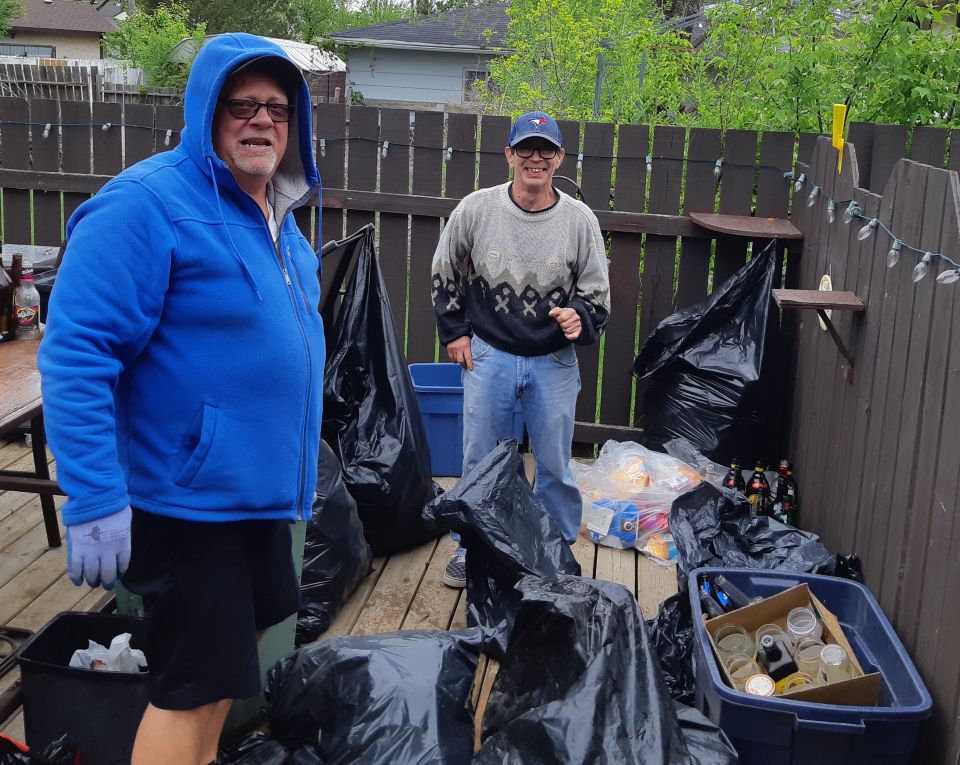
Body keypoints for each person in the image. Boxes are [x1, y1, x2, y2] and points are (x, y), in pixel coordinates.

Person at [37, 34, 324, 765]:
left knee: (223, 677)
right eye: (241, 106)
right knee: (188, 690)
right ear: (205, 112)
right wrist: (95, 494)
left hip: (253, 502)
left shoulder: (279, 218)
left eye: (277, 108)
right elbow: (76, 355)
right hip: (186, 507)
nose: (262, 121)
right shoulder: (146, 205)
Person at [431, 111, 610, 588]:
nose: (536, 158)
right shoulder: (476, 209)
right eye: (526, 149)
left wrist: (580, 318)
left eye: (545, 150)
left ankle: (554, 552)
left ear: (560, 159)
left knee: (554, 463)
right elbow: (445, 269)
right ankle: (474, 551)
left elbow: (596, 294)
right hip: (489, 352)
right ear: (509, 155)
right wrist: (454, 332)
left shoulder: (580, 220)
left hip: (553, 360)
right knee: (480, 461)